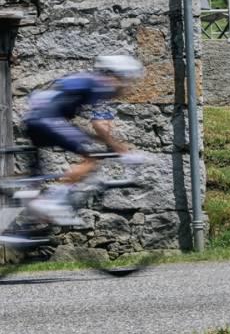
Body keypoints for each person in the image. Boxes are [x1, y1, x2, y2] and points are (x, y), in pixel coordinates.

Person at [21, 55, 147, 227]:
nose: (127, 87)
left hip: (37, 120)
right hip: (47, 119)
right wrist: (122, 152)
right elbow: (99, 126)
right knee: (92, 157)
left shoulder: (89, 81)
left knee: (36, 181)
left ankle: (35, 214)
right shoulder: (101, 85)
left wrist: (107, 143)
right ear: (117, 76)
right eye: (127, 81)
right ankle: (51, 201)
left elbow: (87, 131)